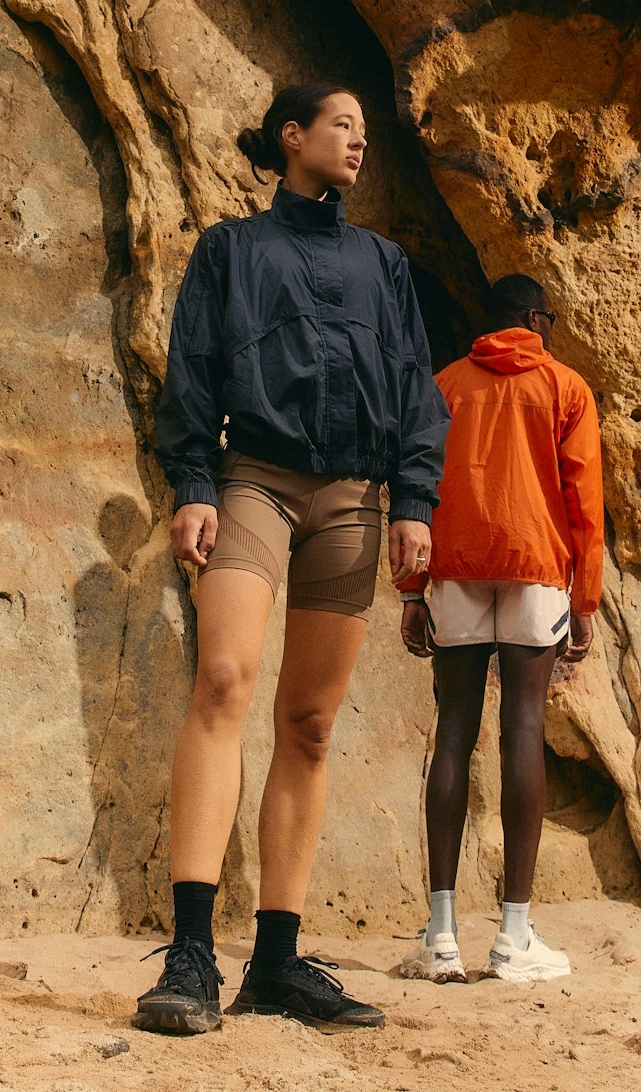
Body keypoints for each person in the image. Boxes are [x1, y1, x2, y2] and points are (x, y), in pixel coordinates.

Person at [133, 82, 448, 1036]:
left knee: (309, 724)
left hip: (354, 501)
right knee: (223, 682)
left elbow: (413, 385)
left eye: (363, 131)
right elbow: (193, 366)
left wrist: (414, 501)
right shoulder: (231, 248)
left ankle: (275, 961)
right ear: (292, 135)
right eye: (342, 125)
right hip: (254, 483)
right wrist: (194, 482)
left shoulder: (383, 263)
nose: (358, 142)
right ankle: (192, 954)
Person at [398, 274, 604, 985]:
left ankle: (441, 935)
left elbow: (416, 481)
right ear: (535, 319)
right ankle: (514, 934)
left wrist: (411, 590)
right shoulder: (565, 388)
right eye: (551, 318)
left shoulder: (446, 385)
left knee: (454, 728)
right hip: (536, 567)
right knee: (523, 727)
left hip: (455, 565)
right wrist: (586, 598)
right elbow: (584, 499)